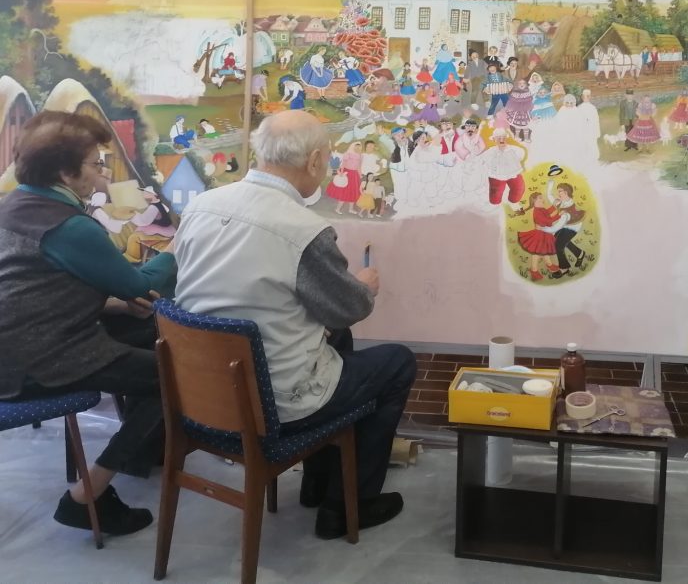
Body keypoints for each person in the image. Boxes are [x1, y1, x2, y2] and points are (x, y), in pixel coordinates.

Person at [173, 110, 416, 540]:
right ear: (316, 161)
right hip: (275, 402)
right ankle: (345, 505)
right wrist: (365, 286)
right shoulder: (303, 229)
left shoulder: (201, 206)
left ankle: (318, 483)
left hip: (201, 396)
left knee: (336, 338)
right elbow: (349, 308)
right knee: (397, 363)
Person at [0, 111, 177, 536]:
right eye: (96, 165)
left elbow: (37, 289)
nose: (102, 176)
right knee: (174, 373)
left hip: (17, 348)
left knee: (150, 333)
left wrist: (115, 303)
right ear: (64, 171)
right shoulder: (69, 227)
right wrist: (180, 248)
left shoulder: (15, 204)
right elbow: (139, 282)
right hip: (37, 362)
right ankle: (89, 495)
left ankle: (142, 451)